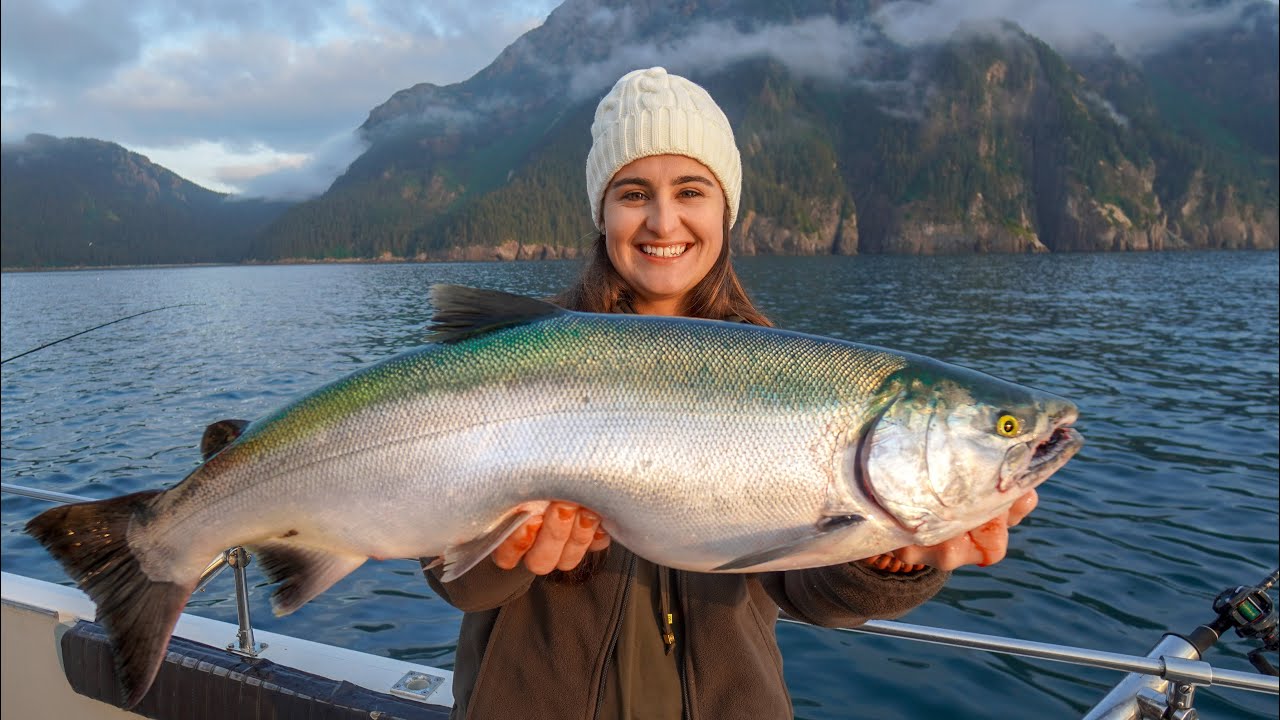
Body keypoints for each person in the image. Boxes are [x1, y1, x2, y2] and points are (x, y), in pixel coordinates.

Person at [423, 66, 1039, 720]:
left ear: (725, 209)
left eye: (691, 191)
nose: (663, 221)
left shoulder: (791, 378)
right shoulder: (518, 360)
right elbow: (456, 581)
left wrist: (889, 560)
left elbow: (813, 593)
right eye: (634, 193)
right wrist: (508, 556)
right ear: (602, 214)